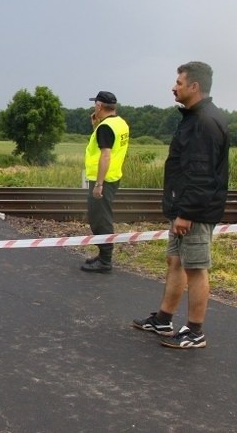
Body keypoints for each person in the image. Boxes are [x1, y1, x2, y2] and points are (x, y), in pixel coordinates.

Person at [133, 61, 229, 349]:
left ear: (194, 86)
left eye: (179, 82)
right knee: (176, 262)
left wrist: (186, 212)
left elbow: (200, 173)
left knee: (196, 268)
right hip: (184, 207)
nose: (173, 87)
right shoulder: (193, 118)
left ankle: (195, 331)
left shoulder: (204, 122)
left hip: (195, 211)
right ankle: (163, 320)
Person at [80, 91, 130, 273]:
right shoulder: (120, 123)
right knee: (102, 217)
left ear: (99, 106)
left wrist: (99, 184)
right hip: (113, 176)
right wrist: (96, 126)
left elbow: (106, 155)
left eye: (96, 104)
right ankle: (103, 256)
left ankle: (105, 260)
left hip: (103, 180)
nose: (95, 107)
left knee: (100, 220)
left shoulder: (106, 127)